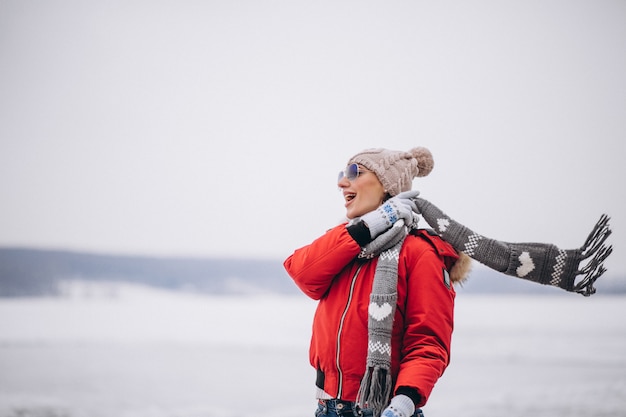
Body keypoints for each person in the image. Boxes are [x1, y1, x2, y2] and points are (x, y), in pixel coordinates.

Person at [283, 147, 472, 417]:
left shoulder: (419, 253)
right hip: (328, 407)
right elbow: (303, 273)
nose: (341, 183)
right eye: (342, 174)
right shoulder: (346, 242)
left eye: (354, 173)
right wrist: (366, 227)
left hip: (383, 408)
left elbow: (428, 341)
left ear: (387, 184)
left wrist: (405, 400)